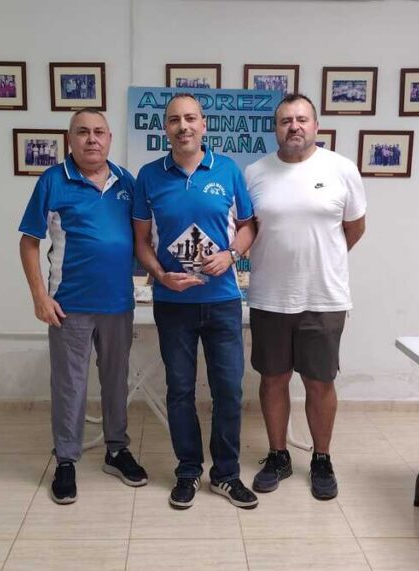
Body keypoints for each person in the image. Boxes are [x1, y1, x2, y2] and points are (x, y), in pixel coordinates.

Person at [133, 93, 258, 510]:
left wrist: (231, 255)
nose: (183, 126)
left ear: (204, 124)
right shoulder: (148, 176)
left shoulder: (227, 169)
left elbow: (247, 226)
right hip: (173, 302)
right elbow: (140, 242)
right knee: (180, 389)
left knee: (228, 389)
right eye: (174, 120)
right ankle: (188, 470)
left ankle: (225, 474)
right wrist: (159, 273)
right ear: (165, 128)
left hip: (222, 301)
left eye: (190, 119)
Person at [19, 109, 147, 505]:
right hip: (69, 305)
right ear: (69, 139)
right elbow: (29, 242)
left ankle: (116, 450)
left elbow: (141, 239)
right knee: (70, 385)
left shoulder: (127, 181)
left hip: (118, 304)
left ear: (109, 138)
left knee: (116, 380)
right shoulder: (53, 181)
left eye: (98, 132)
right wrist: (40, 296)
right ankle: (66, 460)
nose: (92, 139)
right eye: (82, 132)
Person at [244, 94, 367, 500]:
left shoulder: (341, 169)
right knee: (273, 379)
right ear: (275, 128)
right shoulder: (255, 173)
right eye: (285, 121)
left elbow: (354, 227)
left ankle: (321, 459)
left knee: (320, 382)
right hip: (269, 297)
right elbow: (247, 228)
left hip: (324, 297)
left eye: (301, 119)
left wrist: (321, 261)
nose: (293, 126)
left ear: (316, 125)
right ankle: (278, 455)